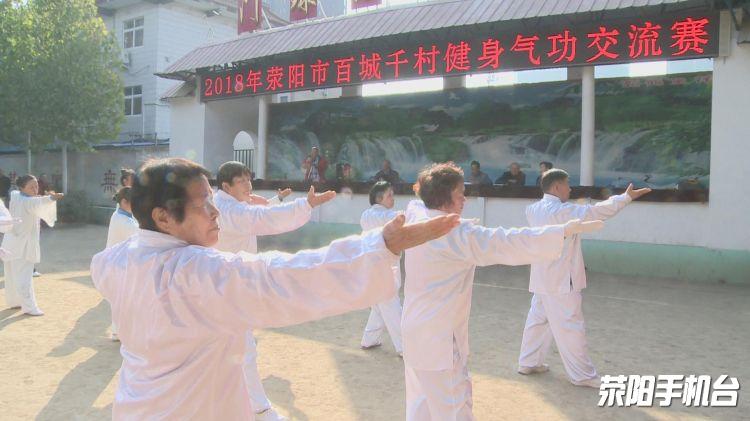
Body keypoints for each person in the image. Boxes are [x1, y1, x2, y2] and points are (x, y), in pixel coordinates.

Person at [90, 157, 459, 419]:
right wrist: (379, 247)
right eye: (204, 204)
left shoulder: (113, 262)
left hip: (137, 405)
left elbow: (105, 269)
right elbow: (281, 277)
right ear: (163, 217)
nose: (215, 212)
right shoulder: (194, 273)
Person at [401, 162, 603, 420]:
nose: (464, 199)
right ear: (443, 197)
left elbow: (417, 202)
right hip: (439, 340)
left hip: (414, 330)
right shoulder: (457, 235)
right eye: (460, 193)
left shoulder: (416, 215)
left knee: (420, 404)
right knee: (454, 408)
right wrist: (561, 232)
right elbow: (506, 241)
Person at [517, 169, 650, 388]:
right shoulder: (563, 211)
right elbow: (595, 212)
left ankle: (528, 362)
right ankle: (582, 375)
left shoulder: (532, 209)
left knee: (538, 320)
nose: (570, 189)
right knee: (570, 326)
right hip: (561, 280)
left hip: (542, 277)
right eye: (567, 184)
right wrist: (625, 198)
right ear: (556, 187)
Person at [214, 161, 314, 421]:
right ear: (226, 186)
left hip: (229, 286)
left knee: (229, 348)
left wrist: (277, 200)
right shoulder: (228, 209)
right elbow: (259, 219)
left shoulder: (229, 204)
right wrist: (304, 205)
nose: (248, 185)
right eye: (241, 181)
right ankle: (259, 408)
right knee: (243, 349)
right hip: (228, 289)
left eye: (249, 179)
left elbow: (256, 213)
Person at [2, 175, 63, 316]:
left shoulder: (15, 195)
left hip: (10, 243)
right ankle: (29, 307)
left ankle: (14, 301)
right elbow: (38, 202)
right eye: (31, 187)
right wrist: (52, 198)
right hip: (22, 246)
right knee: (24, 276)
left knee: (12, 275)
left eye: (36, 186)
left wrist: (45, 197)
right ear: (22, 188)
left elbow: (35, 200)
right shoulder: (28, 202)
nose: (35, 189)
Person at [359, 181, 403, 356]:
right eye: (389, 195)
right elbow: (401, 218)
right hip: (383, 269)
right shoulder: (386, 216)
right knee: (391, 306)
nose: (393, 198)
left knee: (379, 306)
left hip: (370, 267)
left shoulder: (365, 215)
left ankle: (369, 339)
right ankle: (405, 348)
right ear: (379, 199)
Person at [104, 186, 139, 341]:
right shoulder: (122, 220)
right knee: (122, 300)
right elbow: (140, 235)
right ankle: (118, 332)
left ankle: (118, 331)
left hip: (121, 264)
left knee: (123, 299)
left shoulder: (123, 215)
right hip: (119, 265)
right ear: (124, 202)